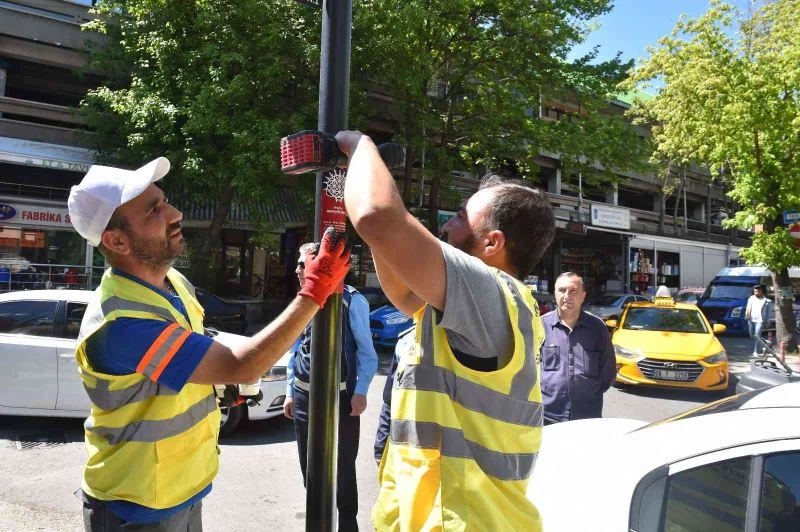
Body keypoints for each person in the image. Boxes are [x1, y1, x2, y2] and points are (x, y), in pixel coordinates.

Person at [67, 157, 350, 532]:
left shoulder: (173, 283)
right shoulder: (122, 322)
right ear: (116, 240)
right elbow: (242, 365)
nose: (175, 212)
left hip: (181, 489)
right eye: (154, 210)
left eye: (163, 200)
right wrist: (313, 292)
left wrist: (217, 388)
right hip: (135, 505)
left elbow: (189, 360)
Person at [335, 131, 556, 531]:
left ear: (492, 242)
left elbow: (375, 217)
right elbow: (403, 289)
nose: (447, 223)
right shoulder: (483, 306)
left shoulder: (492, 293)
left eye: (459, 216)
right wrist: (375, 179)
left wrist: (359, 145)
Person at [283, 254, 378, 532]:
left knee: (343, 469)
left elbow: (367, 352)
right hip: (303, 399)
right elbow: (296, 347)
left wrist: (360, 391)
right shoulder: (303, 300)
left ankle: (348, 525)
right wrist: (290, 391)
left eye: (303, 264)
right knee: (310, 471)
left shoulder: (351, 300)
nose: (297, 269)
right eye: (298, 263)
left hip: (341, 399)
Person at [540, 272, 616, 424]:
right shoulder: (540, 326)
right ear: (555, 294)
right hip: (548, 417)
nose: (567, 295)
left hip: (587, 417)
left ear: (583, 296)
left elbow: (608, 374)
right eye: (562, 290)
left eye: (573, 291)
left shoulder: (597, 328)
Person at [745, 283, 771, 356]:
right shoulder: (751, 298)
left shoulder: (767, 301)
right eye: (754, 291)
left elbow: (769, 312)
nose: (755, 293)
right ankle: (765, 342)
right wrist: (747, 316)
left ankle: (755, 351)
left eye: (757, 291)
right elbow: (748, 308)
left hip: (760, 320)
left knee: (757, 335)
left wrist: (768, 320)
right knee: (752, 335)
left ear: (761, 291)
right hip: (750, 319)